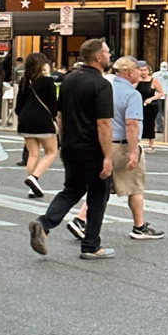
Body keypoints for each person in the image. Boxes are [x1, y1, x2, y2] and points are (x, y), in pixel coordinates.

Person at [28, 37, 116, 262]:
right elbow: (103, 123)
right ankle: (91, 245)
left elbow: (61, 115)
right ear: (98, 57)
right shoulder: (102, 84)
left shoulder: (69, 80)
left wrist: (62, 142)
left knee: (72, 189)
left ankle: (44, 224)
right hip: (93, 148)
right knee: (98, 196)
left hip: (71, 145)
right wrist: (108, 156)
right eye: (106, 52)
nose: (109, 55)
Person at [73, 57, 161, 243]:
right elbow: (132, 125)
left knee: (102, 185)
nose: (141, 73)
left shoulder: (105, 87)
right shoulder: (132, 94)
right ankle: (138, 226)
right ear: (130, 72)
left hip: (103, 142)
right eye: (138, 70)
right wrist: (134, 150)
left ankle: (81, 219)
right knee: (135, 186)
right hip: (122, 144)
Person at [15, 53, 61, 198]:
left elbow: (18, 107)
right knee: (52, 151)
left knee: (33, 154)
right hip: (43, 121)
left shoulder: (24, 82)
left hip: (25, 122)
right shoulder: (48, 82)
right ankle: (34, 177)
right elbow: (53, 105)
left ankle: (33, 187)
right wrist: (55, 119)